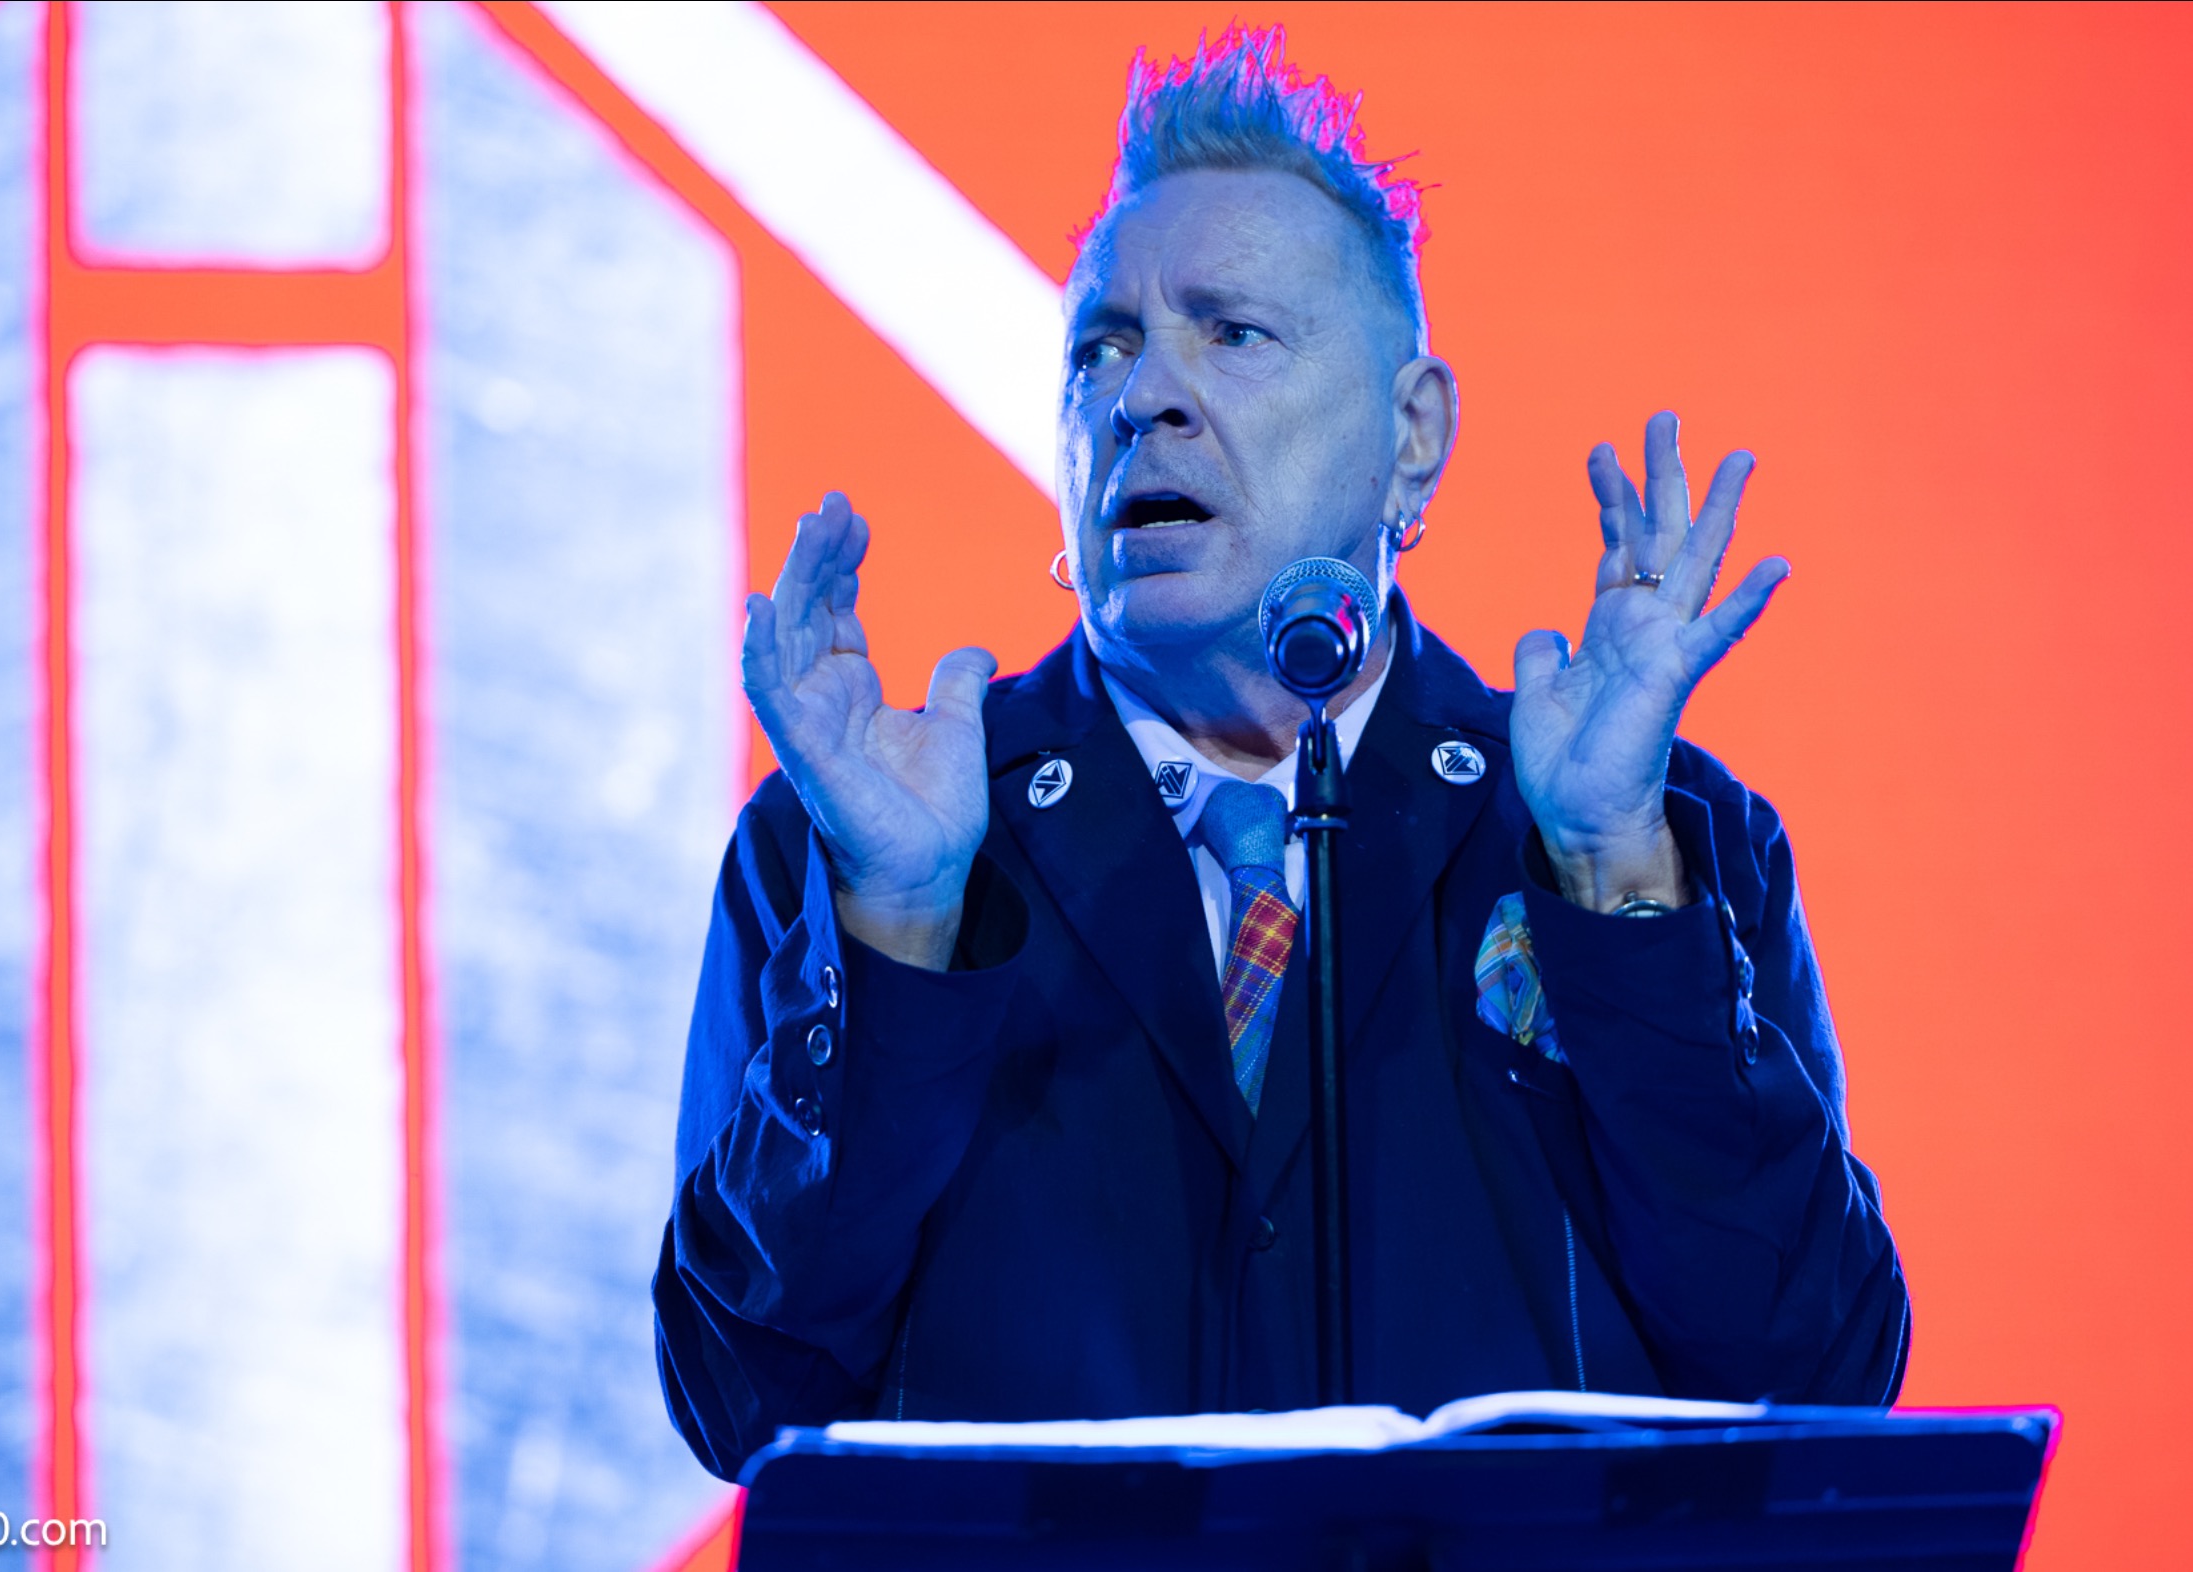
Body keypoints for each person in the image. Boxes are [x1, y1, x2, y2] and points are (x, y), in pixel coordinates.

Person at [654, 27, 1907, 1481]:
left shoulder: (1657, 836)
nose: (1141, 395)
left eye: (1232, 333)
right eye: (1100, 347)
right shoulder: (856, 848)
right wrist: (901, 939)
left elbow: (1809, 1369)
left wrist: (1612, 879)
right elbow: (739, 1397)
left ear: (1413, 434)